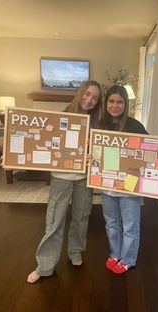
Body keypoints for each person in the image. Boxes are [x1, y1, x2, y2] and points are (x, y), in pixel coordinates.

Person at [27, 80, 103, 283]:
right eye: (87, 94)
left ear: (98, 102)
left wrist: (92, 155)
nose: (89, 100)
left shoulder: (96, 124)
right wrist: (12, 155)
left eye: (95, 98)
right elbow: (39, 143)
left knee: (81, 218)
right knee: (54, 222)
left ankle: (75, 252)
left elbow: (100, 153)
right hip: (61, 178)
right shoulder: (59, 117)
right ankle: (44, 266)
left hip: (83, 180)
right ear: (80, 93)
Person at [99, 85, 148, 274]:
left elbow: (151, 147)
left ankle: (128, 258)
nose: (115, 105)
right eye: (111, 101)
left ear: (126, 104)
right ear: (106, 103)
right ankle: (114, 253)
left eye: (120, 101)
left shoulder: (135, 125)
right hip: (107, 183)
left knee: (130, 225)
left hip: (129, 184)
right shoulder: (101, 124)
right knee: (111, 223)